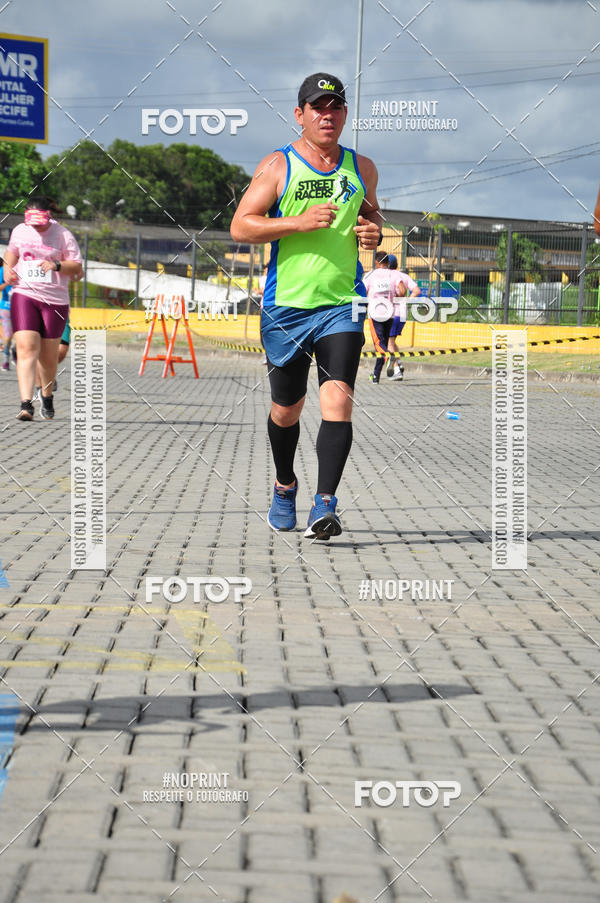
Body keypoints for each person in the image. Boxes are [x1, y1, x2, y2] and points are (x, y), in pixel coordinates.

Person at [230, 72, 382, 540]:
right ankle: (284, 484)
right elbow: (241, 226)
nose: (327, 115)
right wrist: (297, 222)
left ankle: (325, 503)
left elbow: (372, 213)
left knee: (338, 400)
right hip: (287, 307)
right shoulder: (279, 164)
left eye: (335, 107)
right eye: (317, 107)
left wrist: (373, 233)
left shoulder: (362, 167)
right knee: (286, 410)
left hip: (342, 303)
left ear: (345, 114)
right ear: (300, 115)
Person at [3, 197, 83, 420]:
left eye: (40, 222)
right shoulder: (20, 230)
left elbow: (76, 266)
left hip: (55, 300)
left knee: (48, 358)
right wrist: (9, 268)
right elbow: (11, 253)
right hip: (24, 295)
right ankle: (26, 404)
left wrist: (56, 265)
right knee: (26, 348)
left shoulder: (63, 235)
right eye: (32, 222)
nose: (36, 227)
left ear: (49, 216)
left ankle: (46, 396)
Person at [363, 252, 405, 383]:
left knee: (379, 345)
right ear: (387, 262)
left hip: (375, 314)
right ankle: (376, 375)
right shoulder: (393, 274)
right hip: (390, 313)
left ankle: (390, 357)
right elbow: (402, 291)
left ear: (376, 261)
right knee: (383, 344)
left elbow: (362, 291)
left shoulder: (371, 274)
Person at [386, 256, 420, 377]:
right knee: (392, 341)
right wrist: (406, 301)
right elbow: (416, 290)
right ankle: (399, 363)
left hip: (391, 314)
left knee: (388, 344)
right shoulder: (404, 276)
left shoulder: (386, 276)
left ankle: (396, 370)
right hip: (402, 315)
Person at [0, 258, 14, 371]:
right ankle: (6, 360)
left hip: (22, 308)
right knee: (8, 334)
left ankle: (15, 350)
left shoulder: (24, 270)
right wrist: (7, 282)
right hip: (6, 307)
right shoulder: (2, 271)